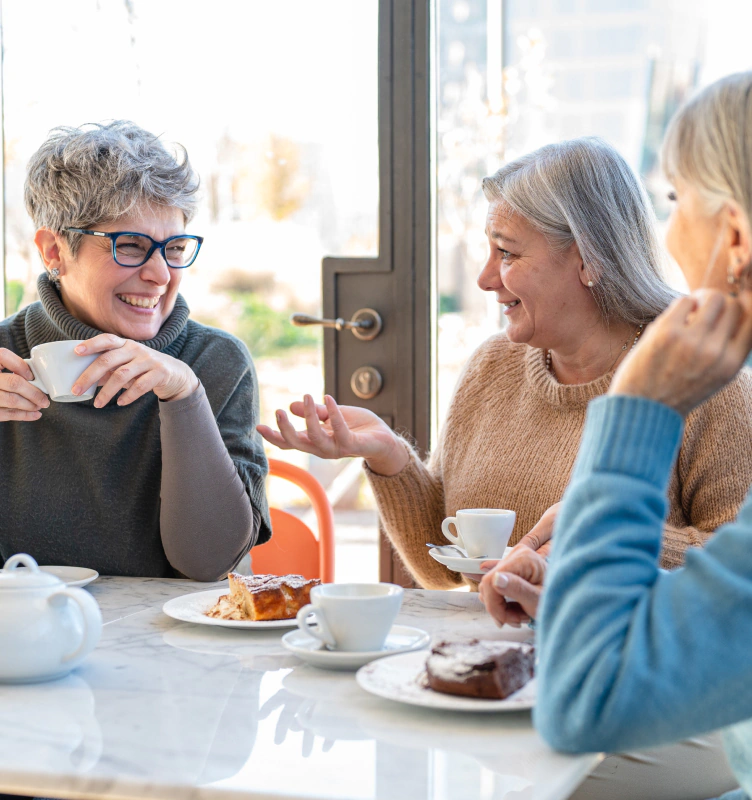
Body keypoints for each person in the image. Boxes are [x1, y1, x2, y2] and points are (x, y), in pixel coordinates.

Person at [258, 137, 752, 591]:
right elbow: (443, 566)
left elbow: (736, 573)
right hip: (482, 660)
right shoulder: (494, 366)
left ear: (589, 258)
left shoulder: (708, 384)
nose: (483, 278)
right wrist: (389, 457)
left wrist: (599, 539)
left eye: (507, 253)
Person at [485, 73, 752, 800]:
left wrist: (637, 408)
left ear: (733, 235)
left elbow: (588, 702)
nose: (665, 232)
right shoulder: (497, 367)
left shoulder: (704, 392)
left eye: (675, 200)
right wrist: (585, 575)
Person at [0, 121, 271, 580]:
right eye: (130, 246)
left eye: (175, 247)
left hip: (168, 643)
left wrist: (185, 396)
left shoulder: (214, 363)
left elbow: (208, 562)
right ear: (54, 251)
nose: (161, 275)